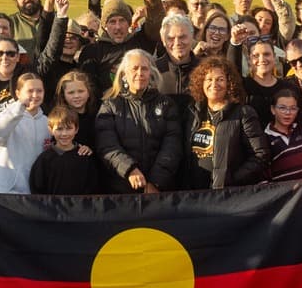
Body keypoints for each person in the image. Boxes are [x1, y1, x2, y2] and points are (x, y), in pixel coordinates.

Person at [97, 49, 183, 195]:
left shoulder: (166, 104)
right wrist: (129, 169)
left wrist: (156, 181)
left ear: (151, 73)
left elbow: (173, 144)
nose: (140, 73)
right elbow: (106, 144)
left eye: (144, 68)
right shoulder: (110, 105)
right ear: (124, 74)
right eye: (134, 68)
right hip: (121, 189)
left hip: (159, 190)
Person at [177, 59, 270, 191]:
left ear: (229, 83)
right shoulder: (192, 113)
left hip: (227, 195)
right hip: (193, 194)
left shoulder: (243, 113)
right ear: (201, 84)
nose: (214, 84)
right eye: (209, 79)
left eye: (220, 79)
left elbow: (260, 155)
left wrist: (231, 179)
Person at [0, 73, 52, 193]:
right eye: (30, 91)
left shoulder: (47, 122)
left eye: (39, 91)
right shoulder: (8, 116)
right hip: (7, 190)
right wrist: (18, 109)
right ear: (18, 93)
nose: (35, 95)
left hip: (35, 191)